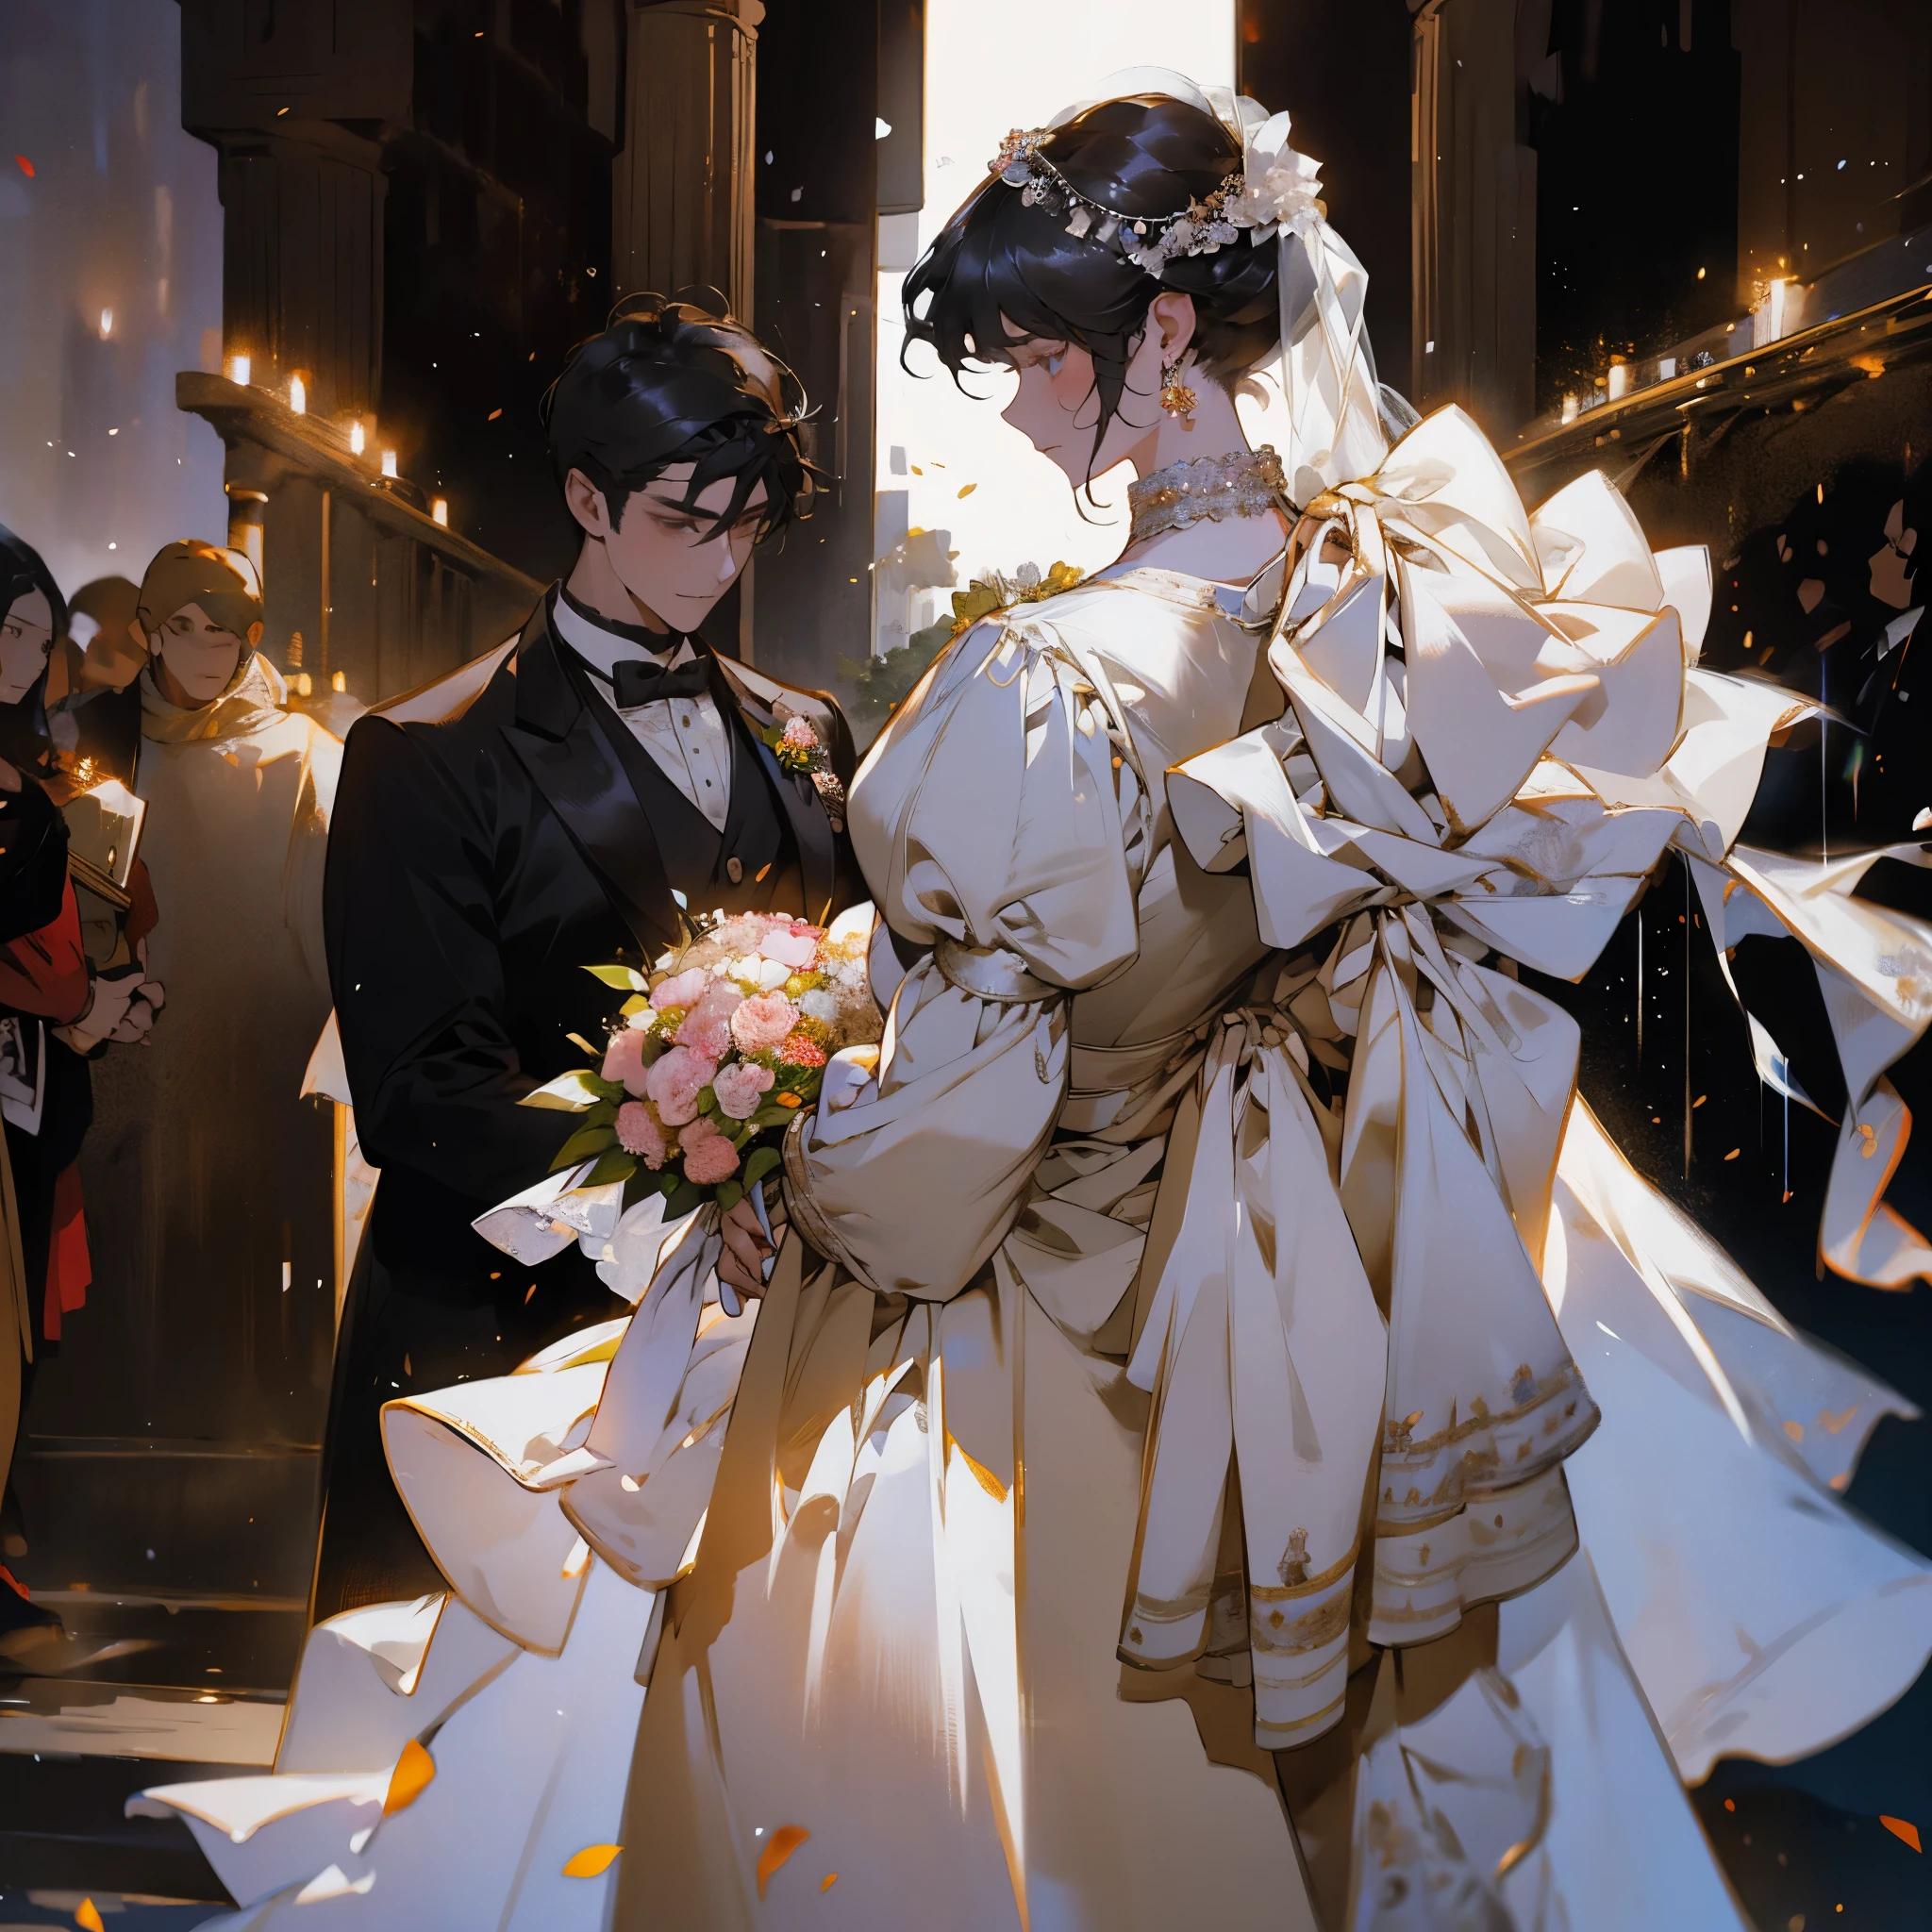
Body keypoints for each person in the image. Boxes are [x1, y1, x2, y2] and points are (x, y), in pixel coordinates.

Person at [140, 81, 1932, 1930]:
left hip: (1040, 1340)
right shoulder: (1394, 615)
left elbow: (945, 1137)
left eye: (1028, 352)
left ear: (1160, 334)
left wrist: (777, 1170)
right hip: (1304, 1320)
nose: (1011, 397)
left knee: (921, 1772)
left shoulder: (1045, 679)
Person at [308, 290, 861, 1623]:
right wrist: (679, 1195)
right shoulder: (428, 753)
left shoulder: (805, 734)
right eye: (683, 518)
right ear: (586, 499)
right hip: (499, 1322)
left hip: (764, 1321)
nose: (718, 560)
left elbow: (856, 995)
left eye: (745, 523)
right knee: (476, 1760)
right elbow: (419, 1093)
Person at [73, 542, 338, 1495]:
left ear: (248, 638)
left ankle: (245, 1454)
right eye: (176, 627)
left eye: (215, 630)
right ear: (148, 630)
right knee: (120, 1234)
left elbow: (327, 913)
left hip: (256, 1040)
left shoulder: (305, 753)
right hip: (121, 1039)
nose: (193, 649)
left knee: (240, 1231)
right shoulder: (95, 734)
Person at [0, 526, 159, 1661]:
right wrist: (74, 998)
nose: (23, 652)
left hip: (30, 1086)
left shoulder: (36, 763)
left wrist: (102, 993)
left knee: (14, 1336)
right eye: (7, 626)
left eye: (36, 634)